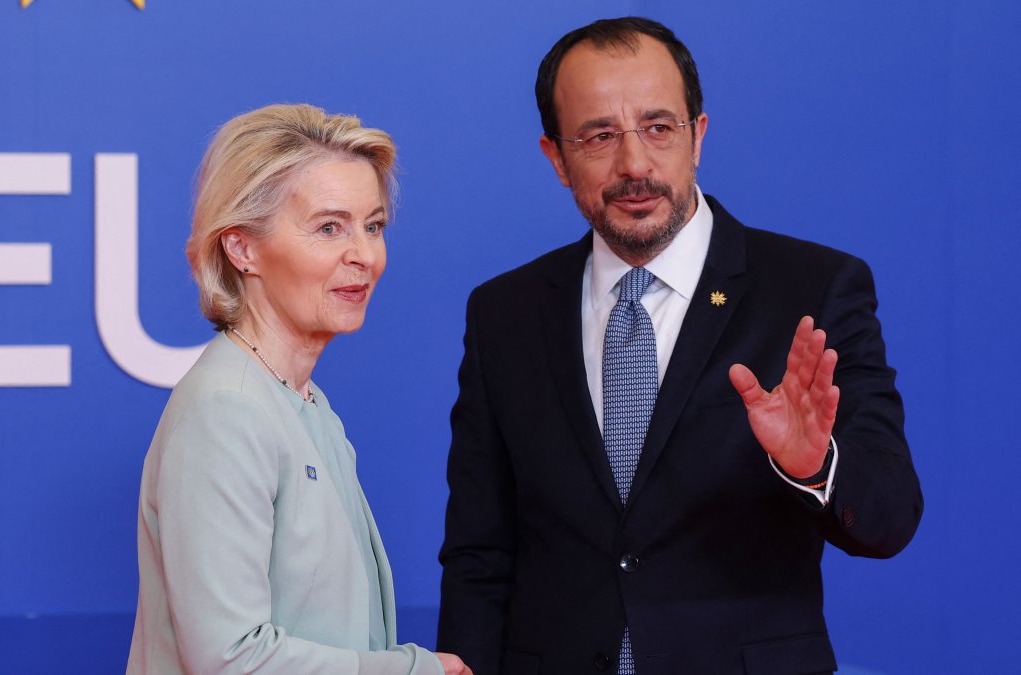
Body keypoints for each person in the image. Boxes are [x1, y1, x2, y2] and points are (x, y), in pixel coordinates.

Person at [436, 17, 922, 675]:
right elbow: (479, 552)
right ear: (556, 157)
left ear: (698, 135)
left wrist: (814, 465)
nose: (634, 165)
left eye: (659, 128)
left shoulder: (813, 288)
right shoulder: (504, 312)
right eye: (599, 136)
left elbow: (891, 516)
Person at [127, 104, 470, 675]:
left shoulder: (301, 400)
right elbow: (227, 660)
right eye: (329, 227)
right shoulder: (228, 409)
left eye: (374, 225)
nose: (363, 254)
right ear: (242, 248)